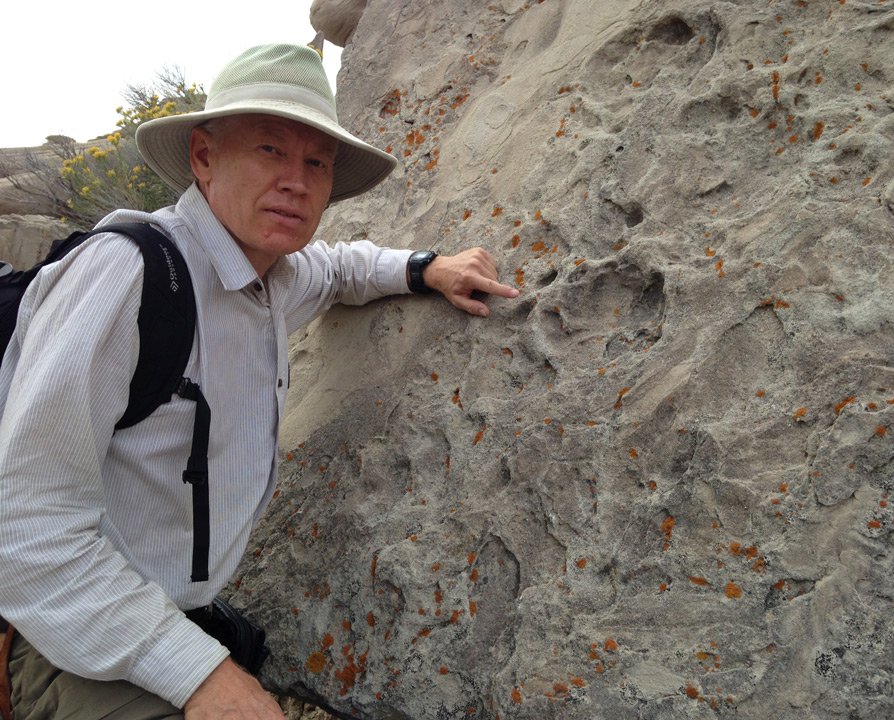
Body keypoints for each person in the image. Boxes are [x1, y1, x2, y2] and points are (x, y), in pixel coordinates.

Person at [0, 43, 518, 719]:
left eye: (316, 163)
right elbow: (24, 527)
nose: (296, 182)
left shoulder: (273, 275)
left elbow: (338, 271)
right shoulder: (126, 277)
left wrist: (425, 267)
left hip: (161, 609)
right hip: (64, 626)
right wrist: (201, 675)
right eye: (270, 150)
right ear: (204, 158)